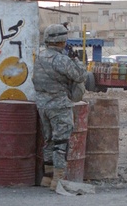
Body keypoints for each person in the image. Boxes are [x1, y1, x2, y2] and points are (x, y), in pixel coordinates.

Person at [33, 23, 88, 196]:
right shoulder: (62, 59)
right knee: (61, 142)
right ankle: (58, 179)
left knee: (49, 140)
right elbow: (80, 76)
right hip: (59, 104)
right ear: (62, 41)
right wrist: (76, 59)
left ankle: (47, 178)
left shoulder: (40, 57)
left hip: (42, 104)